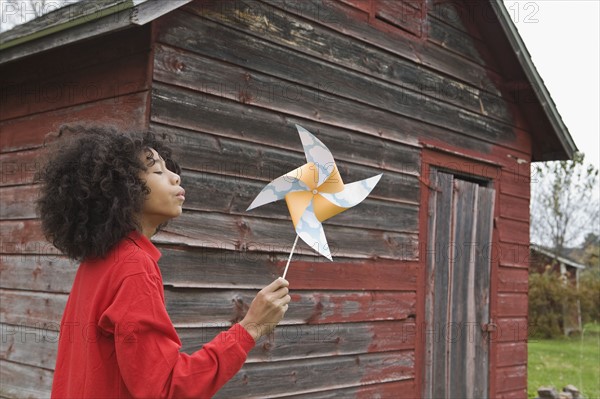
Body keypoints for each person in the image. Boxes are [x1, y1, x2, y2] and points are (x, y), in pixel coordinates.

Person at [37, 125, 291, 398]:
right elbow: (166, 388)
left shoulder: (97, 263)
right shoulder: (134, 267)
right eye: (157, 171)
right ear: (123, 188)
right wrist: (250, 327)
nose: (175, 177)